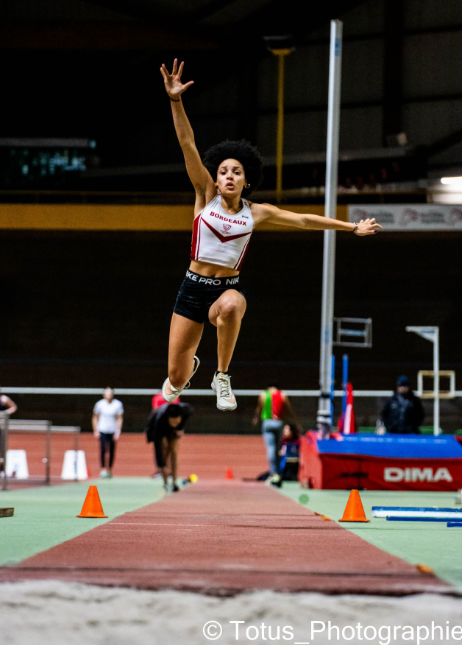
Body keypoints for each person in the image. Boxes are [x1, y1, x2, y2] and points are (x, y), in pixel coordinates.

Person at [159, 59, 382, 413]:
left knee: (233, 305)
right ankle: (186, 374)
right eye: (223, 171)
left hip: (224, 291)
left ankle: (222, 375)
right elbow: (187, 143)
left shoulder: (257, 211)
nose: (229, 176)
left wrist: (351, 227)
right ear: (215, 179)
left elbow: (304, 220)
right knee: (174, 378)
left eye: (237, 171)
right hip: (191, 289)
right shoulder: (204, 194)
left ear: (247, 180)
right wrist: (175, 100)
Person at [252, 383, 301, 486]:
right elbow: (288, 410)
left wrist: (256, 418)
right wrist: (295, 421)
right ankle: (278, 471)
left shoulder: (264, 394)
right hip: (278, 422)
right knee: (278, 448)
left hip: (267, 422)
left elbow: (259, 408)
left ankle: (273, 472)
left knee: (270, 447)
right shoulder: (283, 395)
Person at [146, 401, 193, 492]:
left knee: (174, 451)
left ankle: (174, 481)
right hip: (160, 431)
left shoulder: (186, 411)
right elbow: (157, 448)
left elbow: (184, 418)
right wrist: (161, 465)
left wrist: (179, 428)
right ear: (168, 418)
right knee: (164, 449)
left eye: (177, 421)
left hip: (173, 431)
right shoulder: (159, 420)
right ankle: (165, 482)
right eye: (173, 421)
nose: (175, 423)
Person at [92, 387, 124, 478]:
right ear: (104, 395)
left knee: (112, 450)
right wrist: (96, 430)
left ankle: (109, 469)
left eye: (110, 394)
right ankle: (102, 469)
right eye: (107, 393)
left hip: (112, 430)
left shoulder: (117, 404)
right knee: (102, 449)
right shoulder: (99, 404)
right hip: (102, 429)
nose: (108, 395)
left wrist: (118, 431)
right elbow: (95, 417)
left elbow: (119, 418)